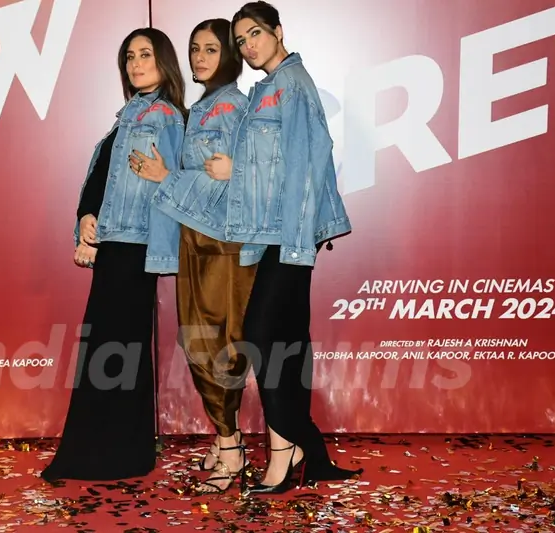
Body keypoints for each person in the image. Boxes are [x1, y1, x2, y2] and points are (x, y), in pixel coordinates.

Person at [200, 1, 365, 495]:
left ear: (277, 31)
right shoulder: (268, 88)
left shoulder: (291, 85)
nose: (248, 46)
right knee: (289, 345)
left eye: (255, 34)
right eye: (241, 41)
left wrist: (238, 173)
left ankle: (289, 445)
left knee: (265, 336)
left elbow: (305, 166)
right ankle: (312, 455)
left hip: (287, 235)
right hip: (271, 233)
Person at [40, 28, 186, 482]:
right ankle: (107, 451)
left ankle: (116, 454)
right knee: (108, 352)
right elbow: (103, 180)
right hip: (115, 247)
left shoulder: (164, 116)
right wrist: (86, 217)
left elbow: (176, 187)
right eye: (129, 57)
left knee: (116, 353)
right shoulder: (128, 115)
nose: (136, 63)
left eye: (145, 54)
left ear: (163, 61)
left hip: (133, 248)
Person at [132, 19, 254, 494]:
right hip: (196, 242)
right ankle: (229, 438)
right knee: (200, 342)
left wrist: (166, 177)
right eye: (194, 49)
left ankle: (230, 447)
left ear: (231, 55)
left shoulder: (232, 108)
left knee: (217, 347)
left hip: (222, 245)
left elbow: (221, 189)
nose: (200, 57)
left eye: (211, 49)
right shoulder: (203, 106)